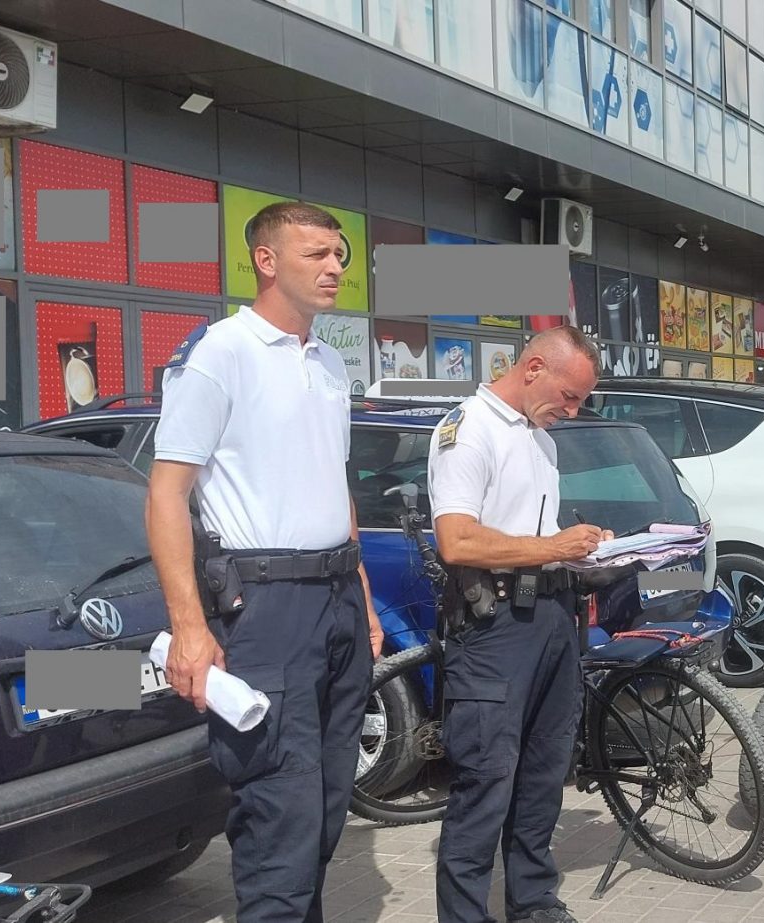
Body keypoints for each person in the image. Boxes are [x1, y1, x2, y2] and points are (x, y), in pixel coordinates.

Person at [148, 202, 382, 923]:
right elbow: (166, 493)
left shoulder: (332, 359)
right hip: (268, 609)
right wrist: (190, 626)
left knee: (325, 807)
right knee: (280, 811)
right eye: (317, 254)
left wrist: (365, 601)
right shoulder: (221, 352)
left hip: (337, 599)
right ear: (268, 260)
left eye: (339, 254)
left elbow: (333, 485)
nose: (336, 266)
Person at [427, 327, 609, 923]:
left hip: (552, 616)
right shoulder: (468, 428)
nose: (572, 410)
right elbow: (456, 540)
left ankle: (532, 903)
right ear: (533, 368)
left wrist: (581, 551)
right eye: (570, 395)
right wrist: (551, 544)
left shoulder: (541, 439)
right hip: (496, 627)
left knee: (543, 773)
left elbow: (535, 540)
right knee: (485, 782)